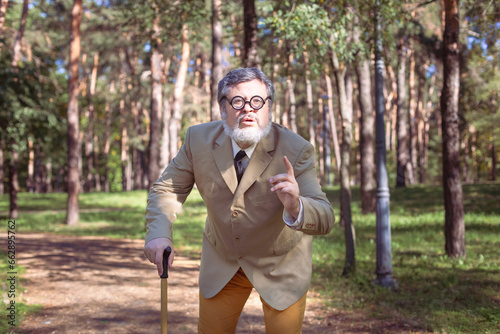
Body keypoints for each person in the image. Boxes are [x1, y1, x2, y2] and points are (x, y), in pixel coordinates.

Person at [144, 67, 335, 334]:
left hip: (280, 264)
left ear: (269, 107)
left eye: (257, 101)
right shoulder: (197, 140)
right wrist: (159, 234)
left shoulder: (296, 149)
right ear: (223, 108)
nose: (248, 109)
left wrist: (296, 205)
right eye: (237, 101)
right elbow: (167, 189)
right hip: (223, 260)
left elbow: (326, 217)